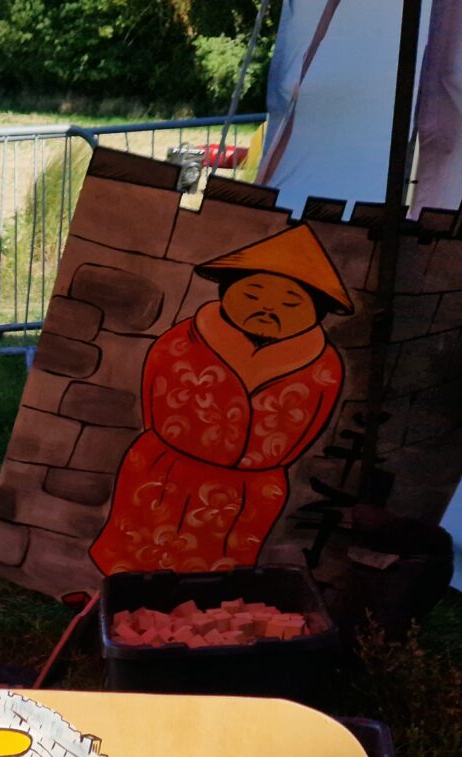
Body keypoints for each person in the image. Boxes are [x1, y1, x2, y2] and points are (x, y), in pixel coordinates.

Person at [88, 223, 353, 577]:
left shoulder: (324, 365)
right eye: (253, 294)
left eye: (291, 302)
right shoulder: (181, 339)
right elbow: (154, 406)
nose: (268, 308)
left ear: (317, 311)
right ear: (227, 291)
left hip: (250, 490)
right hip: (164, 470)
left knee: (219, 566)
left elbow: (307, 429)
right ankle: (116, 597)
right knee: (138, 552)